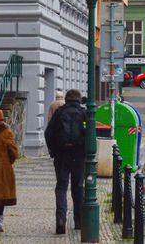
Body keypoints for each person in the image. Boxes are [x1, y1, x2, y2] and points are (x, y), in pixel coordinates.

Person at [45, 88, 87, 234]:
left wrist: (53, 151)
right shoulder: (84, 113)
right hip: (79, 155)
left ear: (67, 99)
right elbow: (90, 134)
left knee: (61, 188)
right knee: (78, 188)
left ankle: (61, 220)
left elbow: (48, 133)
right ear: (79, 99)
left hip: (61, 155)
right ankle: (79, 221)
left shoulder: (59, 112)